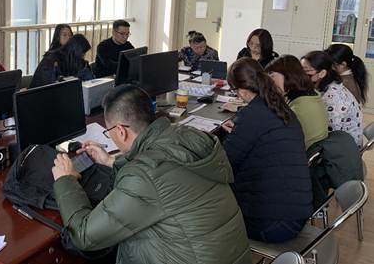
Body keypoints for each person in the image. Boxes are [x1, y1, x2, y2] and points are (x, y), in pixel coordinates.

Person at [52, 84, 251, 264]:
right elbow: (159, 168)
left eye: (108, 132)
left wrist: (65, 180)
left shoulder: (145, 176)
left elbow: (84, 236)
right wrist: (110, 161)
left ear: (120, 131)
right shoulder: (186, 136)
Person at [221, 58, 312, 243]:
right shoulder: (282, 109)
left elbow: (224, 165)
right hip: (297, 214)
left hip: (271, 223)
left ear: (242, 90)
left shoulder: (252, 114)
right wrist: (240, 133)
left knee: (207, 209)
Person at [301, 51, 363, 148]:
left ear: (322, 73)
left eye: (307, 72)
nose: (301, 75)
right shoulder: (327, 84)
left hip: (344, 149)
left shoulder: (333, 98)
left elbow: (331, 133)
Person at [265, 55, 328, 149]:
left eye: (272, 75)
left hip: (304, 152)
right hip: (313, 150)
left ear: (287, 74)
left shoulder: (299, 107)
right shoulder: (310, 93)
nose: (269, 81)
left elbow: (278, 138)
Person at [30, 34, 94, 88]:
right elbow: (51, 84)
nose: (83, 57)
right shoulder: (51, 60)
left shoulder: (75, 61)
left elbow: (90, 81)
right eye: (82, 54)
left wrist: (85, 67)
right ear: (75, 51)